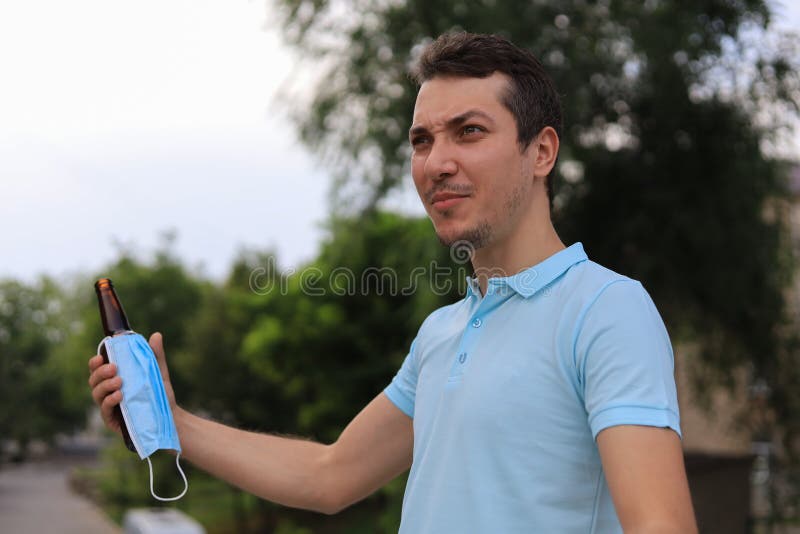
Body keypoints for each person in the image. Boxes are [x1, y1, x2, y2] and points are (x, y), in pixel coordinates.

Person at [89, 32, 697, 533]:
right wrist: (172, 420)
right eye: (421, 141)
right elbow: (329, 476)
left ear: (541, 152)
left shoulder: (606, 310)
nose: (436, 163)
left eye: (470, 131)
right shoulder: (442, 331)